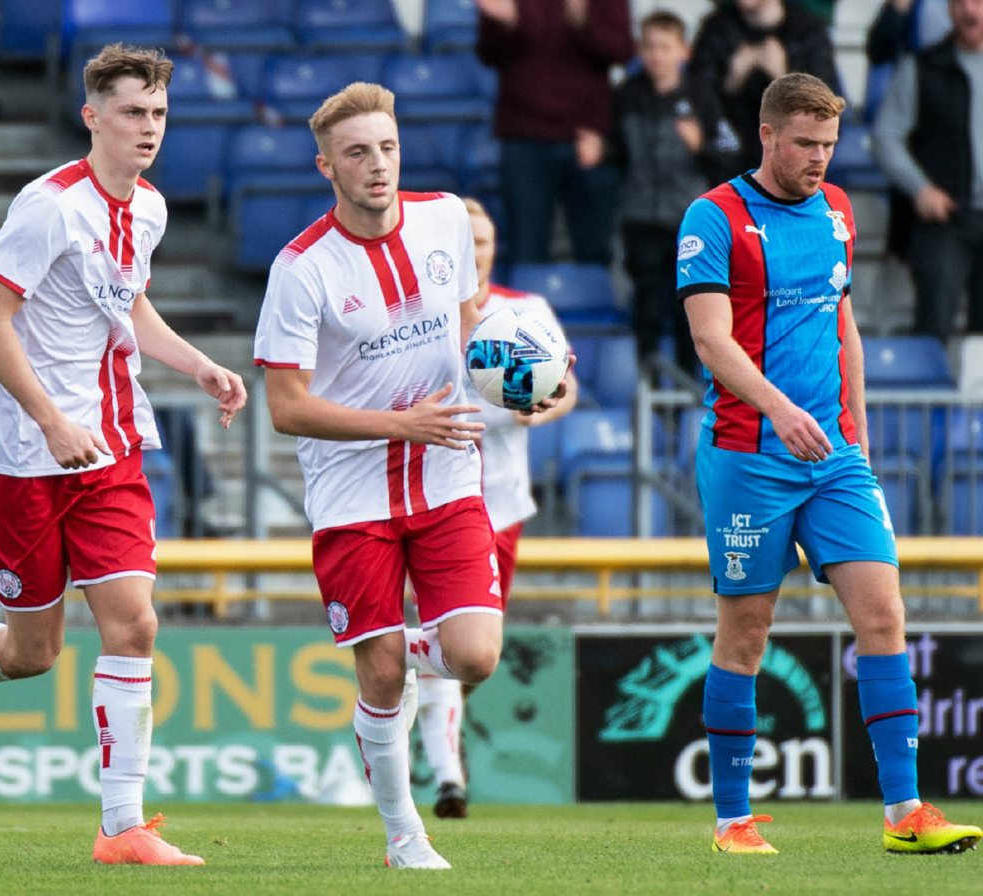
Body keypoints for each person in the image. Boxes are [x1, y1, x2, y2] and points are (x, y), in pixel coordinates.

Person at [0, 44, 245, 867]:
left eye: (160, 114)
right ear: (93, 115)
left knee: (134, 624)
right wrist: (49, 422)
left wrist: (197, 363)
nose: (149, 128)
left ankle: (121, 828)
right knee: (33, 652)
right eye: (135, 112)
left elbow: (126, 302)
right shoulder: (48, 207)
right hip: (18, 459)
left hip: (109, 450)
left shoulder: (150, 209)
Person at [253, 82, 563, 869]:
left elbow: (465, 331)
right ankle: (404, 836)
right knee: (385, 674)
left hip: (449, 475)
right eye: (357, 152)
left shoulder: (448, 219)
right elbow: (285, 408)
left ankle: (377, 645)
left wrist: (520, 376)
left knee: (475, 656)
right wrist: (400, 423)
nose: (377, 165)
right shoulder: (299, 270)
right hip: (350, 494)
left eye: (387, 148)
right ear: (327, 165)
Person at [677, 72, 982, 855]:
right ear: (768, 134)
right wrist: (782, 408)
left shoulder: (839, 211)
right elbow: (712, 341)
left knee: (884, 616)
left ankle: (905, 813)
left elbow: (844, 327)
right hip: (749, 456)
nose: (819, 159)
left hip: (835, 457)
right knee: (747, 631)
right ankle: (732, 821)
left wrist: (861, 438)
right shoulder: (714, 218)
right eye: (805, 143)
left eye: (829, 145)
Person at [412, 197, 578, 820]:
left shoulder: (526, 313)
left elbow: (567, 386)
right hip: (433, 497)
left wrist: (544, 405)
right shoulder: (425, 314)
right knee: (446, 635)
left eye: (483, 239)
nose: (475, 249)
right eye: (466, 239)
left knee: (476, 651)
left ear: (494, 246)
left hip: (501, 502)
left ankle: (421, 707)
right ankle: (449, 776)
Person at [609, 11, 740, 379]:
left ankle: (685, 400)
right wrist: (600, 151)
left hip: (689, 223)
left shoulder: (701, 96)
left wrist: (702, 147)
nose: (656, 55)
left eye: (665, 47)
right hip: (640, 221)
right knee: (647, 309)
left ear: (683, 50)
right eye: (649, 46)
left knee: (690, 314)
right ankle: (646, 392)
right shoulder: (627, 95)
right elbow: (617, 154)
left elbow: (731, 154)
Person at [474, 0, 634, 267]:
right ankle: (526, 310)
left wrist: (583, 21)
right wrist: (509, 23)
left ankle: (594, 308)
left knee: (594, 252)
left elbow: (621, 50)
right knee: (527, 250)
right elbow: (487, 53)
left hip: (587, 140)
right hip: (524, 137)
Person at [873, 0, 983, 344]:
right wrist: (919, 188)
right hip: (946, 218)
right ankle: (930, 399)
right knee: (932, 329)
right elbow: (885, 136)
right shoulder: (922, 66)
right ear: (949, 10)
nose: (970, 9)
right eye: (961, 2)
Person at [690, 0, 840, 169]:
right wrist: (731, 80)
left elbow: (824, 110)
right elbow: (698, 98)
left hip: (791, 160)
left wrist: (783, 75)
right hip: (728, 157)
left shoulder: (808, 32)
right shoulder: (717, 29)